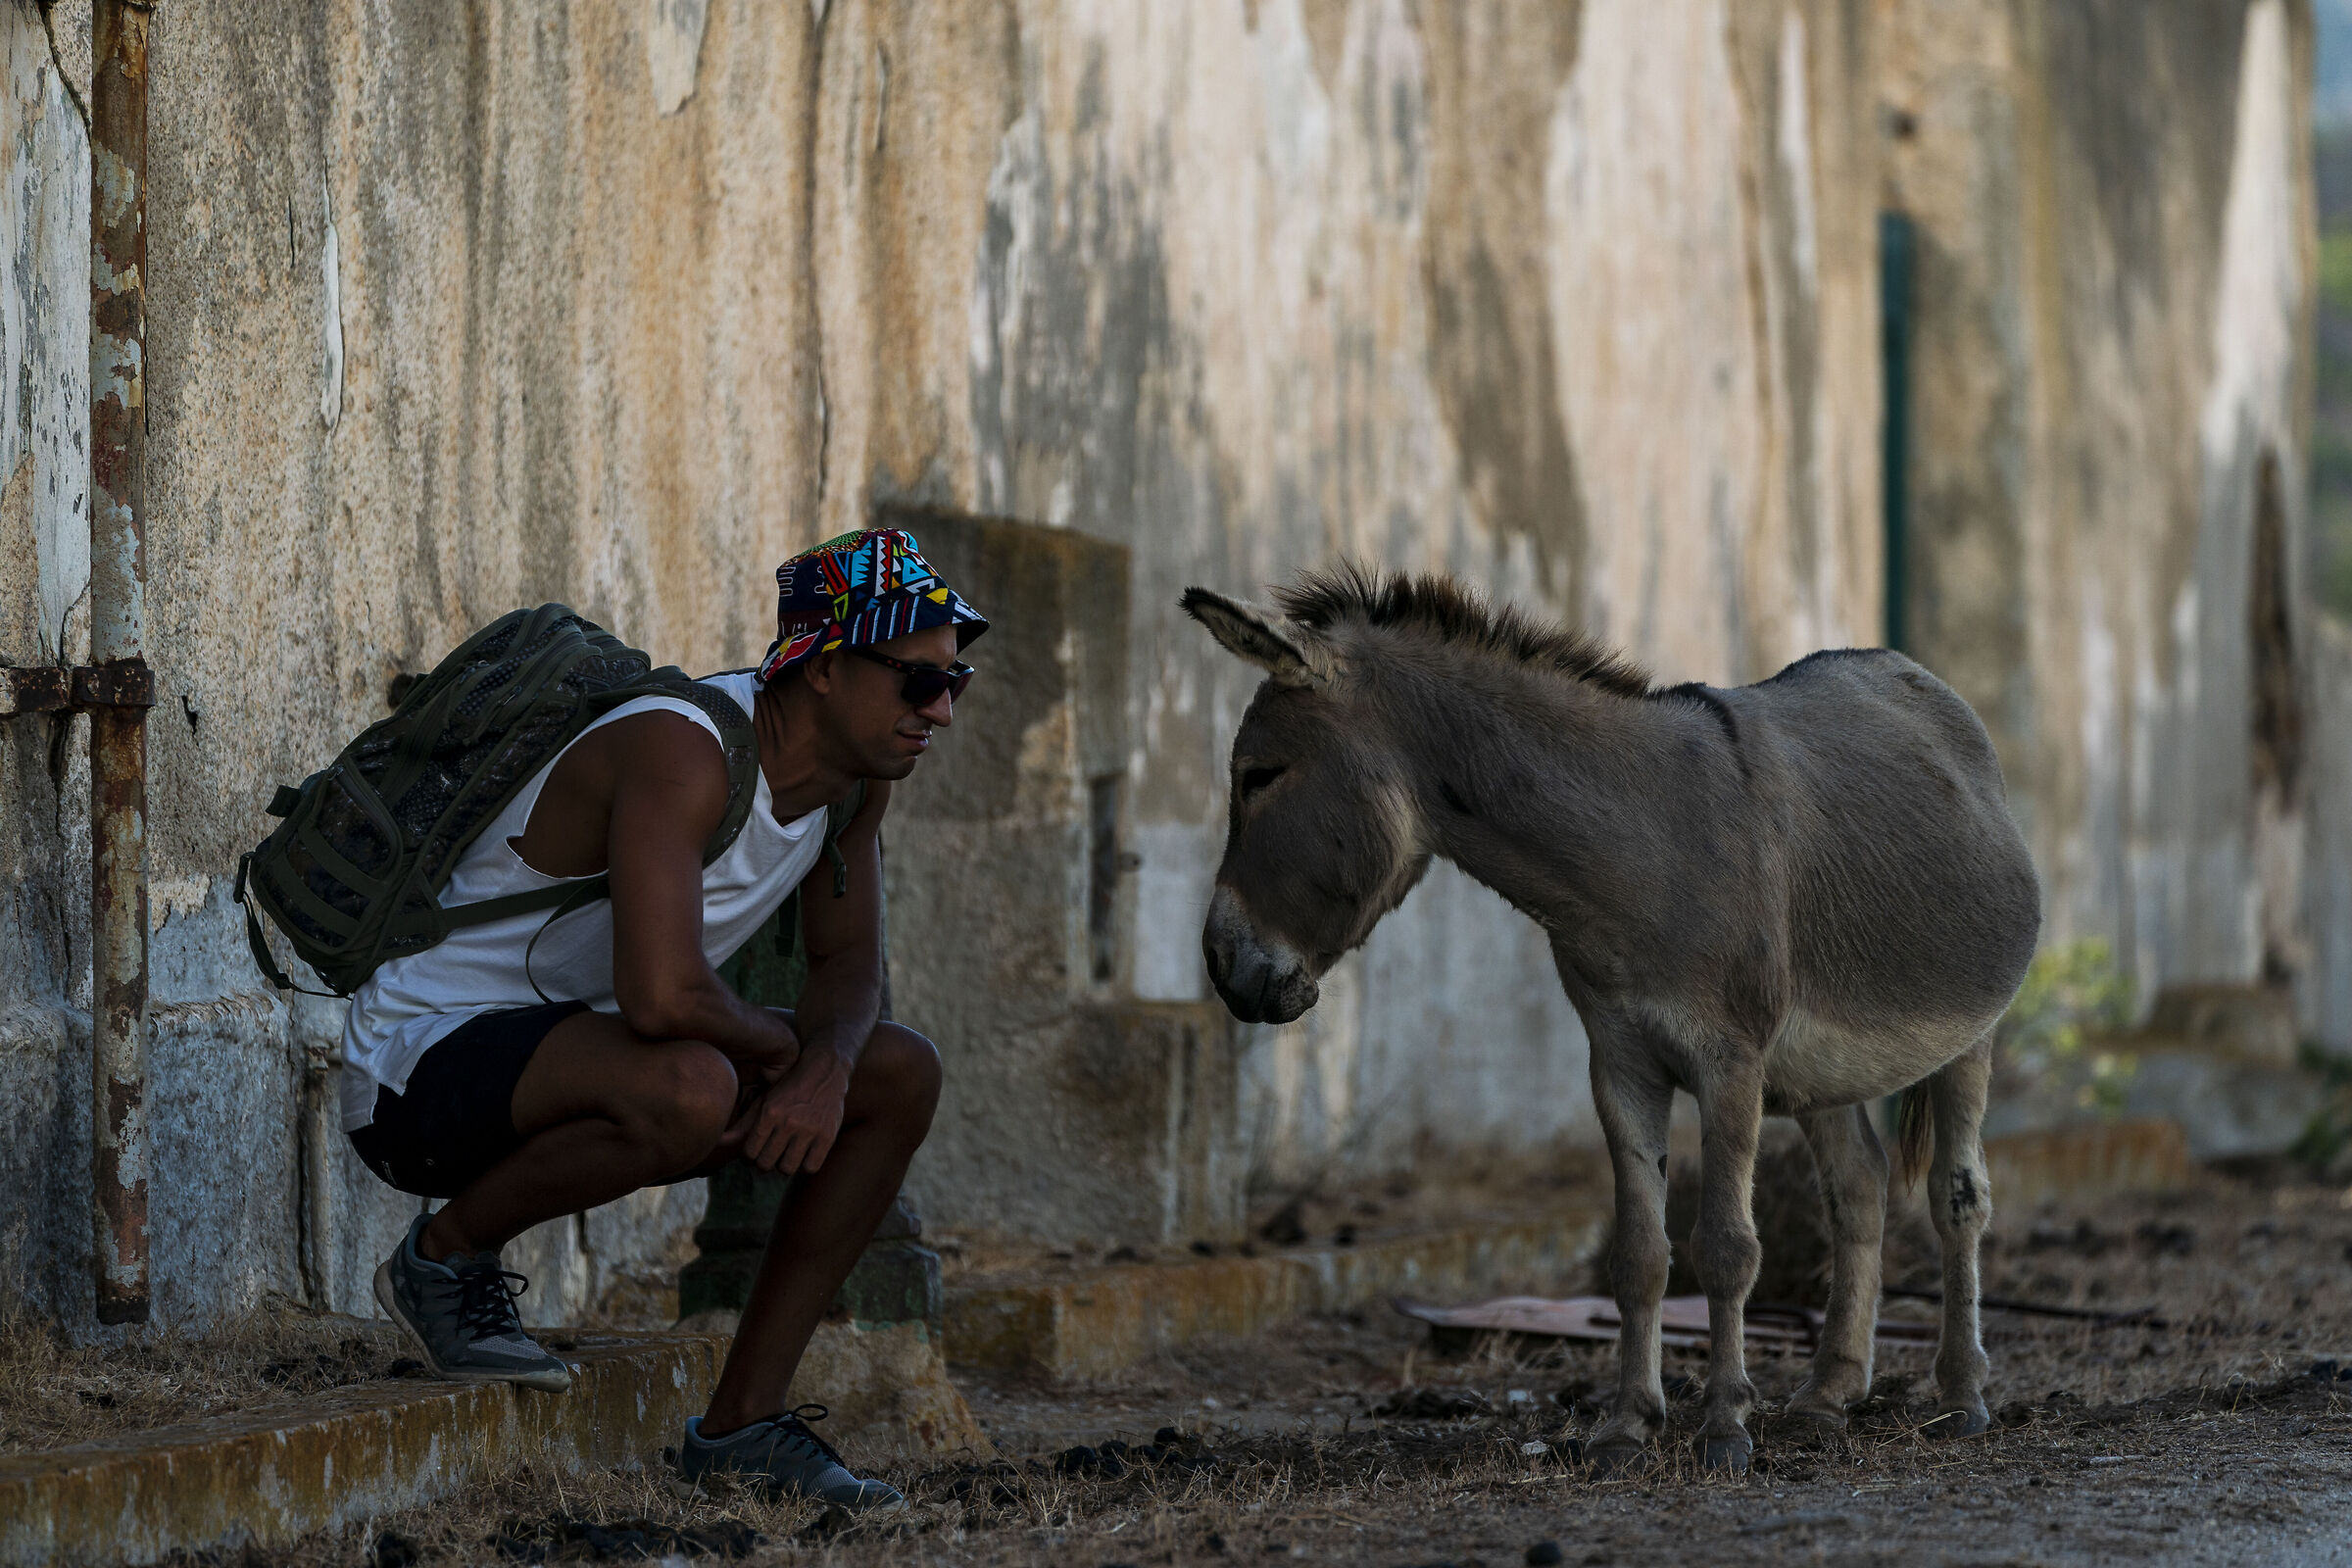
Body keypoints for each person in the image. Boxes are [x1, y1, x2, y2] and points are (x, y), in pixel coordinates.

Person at [338, 528, 984, 1512]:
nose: (938, 709)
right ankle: (444, 1259)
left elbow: (848, 963)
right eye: (913, 681)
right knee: (694, 1082)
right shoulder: (686, 747)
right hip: (418, 1065)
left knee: (900, 1072)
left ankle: (743, 1428)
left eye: (954, 683)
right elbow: (664, 996)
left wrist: (834, 1064)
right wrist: (797, 1061)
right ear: (820, 668)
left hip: (576, 1055)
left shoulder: (849, 789)